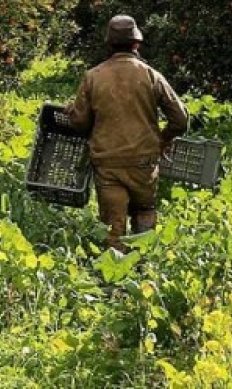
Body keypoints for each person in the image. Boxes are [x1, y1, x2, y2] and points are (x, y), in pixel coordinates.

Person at [65, 15, 188, 252]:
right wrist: (163, 140)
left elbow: (79, 123)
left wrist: (73, 111)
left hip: (108, 164)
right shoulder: (151, 75)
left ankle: (114, 278)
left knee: (113, 227)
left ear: (109, 44)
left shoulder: (93, 76)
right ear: (136, 44)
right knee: (144, 211)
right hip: (143, 162)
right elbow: (180, 119)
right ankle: (144, 266)